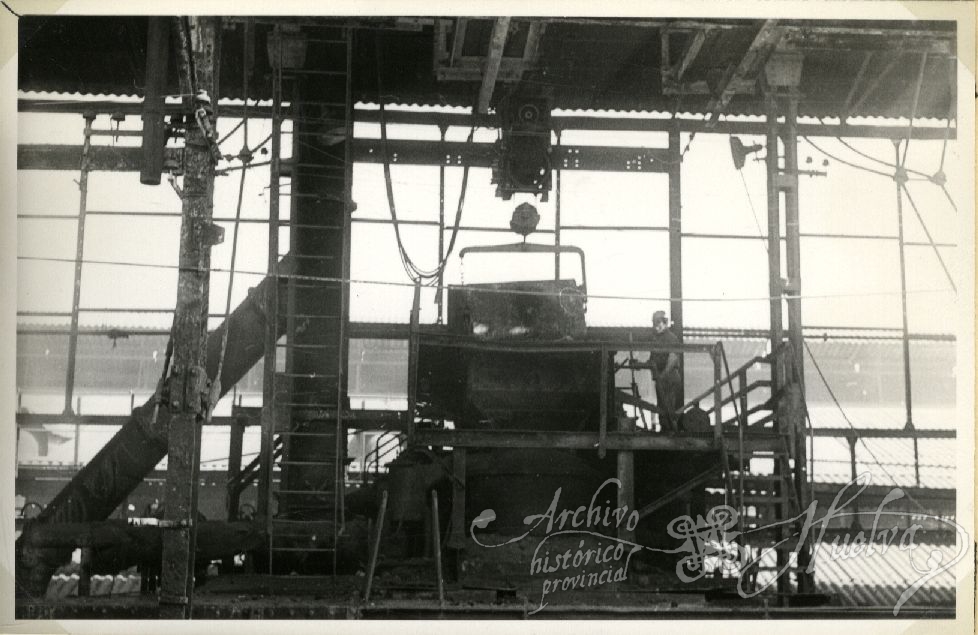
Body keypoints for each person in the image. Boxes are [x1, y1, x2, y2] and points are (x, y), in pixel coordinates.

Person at [649, 310, 682, 432]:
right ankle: (666, 429)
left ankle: (669, 431)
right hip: (662, 377)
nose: (656, 325)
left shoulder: (670, 338)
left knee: (667, 405)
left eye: (658, 322)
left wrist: (662, 376)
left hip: (669, 376)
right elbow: (653, 359)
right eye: (654, 322)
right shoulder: (657, 339)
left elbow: (673, 358)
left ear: (664, 322)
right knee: (663, 405)